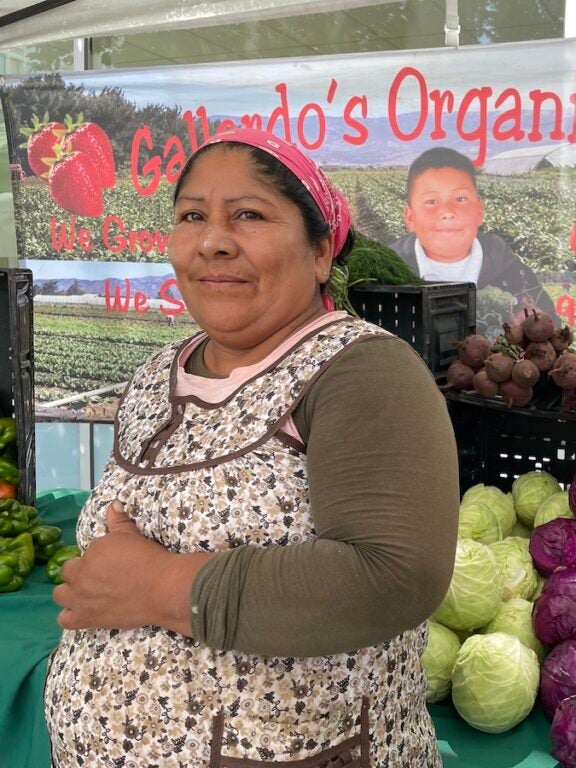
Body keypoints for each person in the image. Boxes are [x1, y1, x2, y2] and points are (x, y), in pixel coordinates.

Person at [45, 127, 460, 767]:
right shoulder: (161, 372)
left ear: (321, 252)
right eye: (192, 216)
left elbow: (393, 575)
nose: (213, 240)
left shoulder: (362, 372)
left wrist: (158, 585)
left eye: (249, 215)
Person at [389, 146, 558, 326]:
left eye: (460, 199)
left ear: (479, 211)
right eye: (431, 201)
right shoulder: (387, 273)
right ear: (410, 218)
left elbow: (550, 328)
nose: (447, 212)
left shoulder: (512, 272)